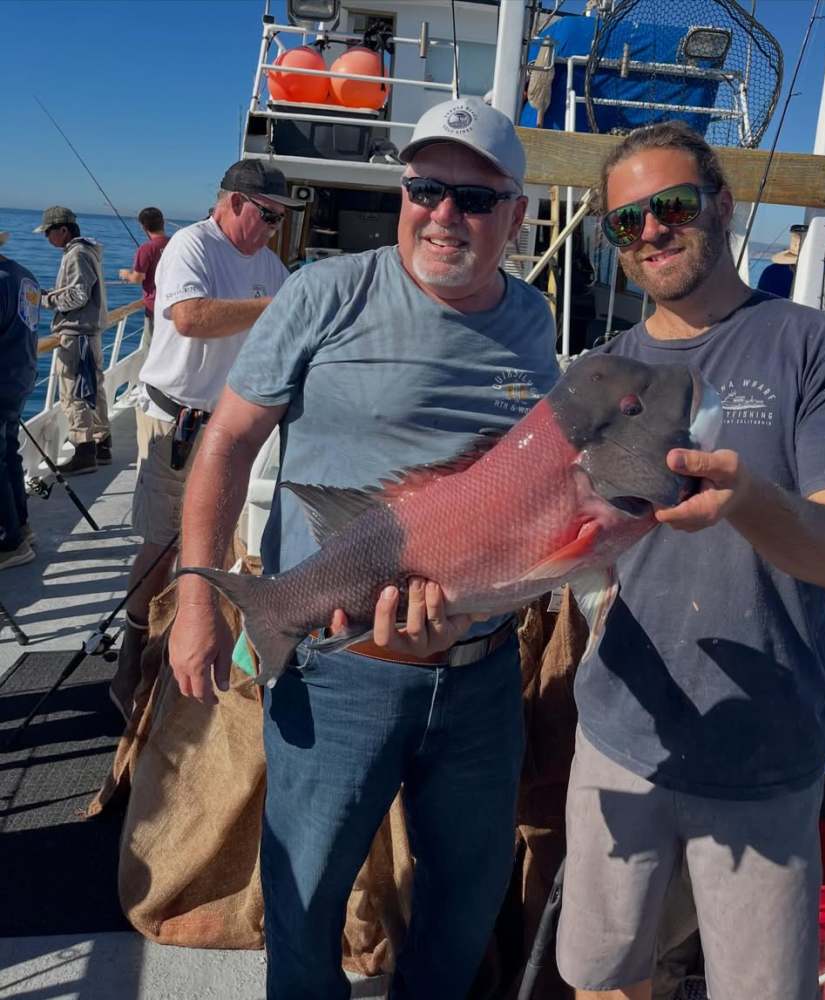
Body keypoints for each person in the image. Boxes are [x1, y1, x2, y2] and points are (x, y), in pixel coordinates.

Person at [168, 97, 560, 999]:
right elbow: (226, 442)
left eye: (472, 197)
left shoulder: (534, 321)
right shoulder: (324, 291)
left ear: (516, 213)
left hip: (483, 673)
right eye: (424, 188)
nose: (442, 214)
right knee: (302, 903)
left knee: (465, 902)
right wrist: (198, 599)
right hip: (339, 670)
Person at [556, 122, 825, 1000]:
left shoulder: (820, 349)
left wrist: (750, 500)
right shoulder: (595, 374)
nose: (649, 232)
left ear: (719, 205)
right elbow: (566, 545)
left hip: (765, 745)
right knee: (604, 974)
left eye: (671, 206)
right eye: (623, 222)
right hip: (619, 727)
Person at [109, 160, 296, 721]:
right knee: (165, 545)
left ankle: (194, 661)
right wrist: (274, 307)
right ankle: (131, 655)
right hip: (177, 425)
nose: (272, 229)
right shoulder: (191, 246)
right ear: (235, 202)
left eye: (282, 220)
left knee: (231, 549)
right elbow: (189, 317)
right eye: (266, 215)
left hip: (235, 431)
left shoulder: (270, 264)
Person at [35, 205, 111, 474]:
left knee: (74, 394)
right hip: (89, 333)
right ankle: (102, 443)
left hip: (76, 335)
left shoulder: (77, 254)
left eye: (48, 233)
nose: (46, 238)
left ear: (63, 230)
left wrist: (45, 299)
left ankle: (84, 451)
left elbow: (78, 295)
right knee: (94, 389)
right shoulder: (88, 251)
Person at [0, 231, 41, 570]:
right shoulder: (24, 274)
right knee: (7, 452)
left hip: (2, 379)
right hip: (22, 376)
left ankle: (9, 542)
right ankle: (21, 526)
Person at [118, 206, 170, 352]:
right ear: (163, 222)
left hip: (155, 307)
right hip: (174, 305)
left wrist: (125, 274)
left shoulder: (146, 248)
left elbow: (137, 278)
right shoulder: (175, 243)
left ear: (143, 226)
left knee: (152, 349)